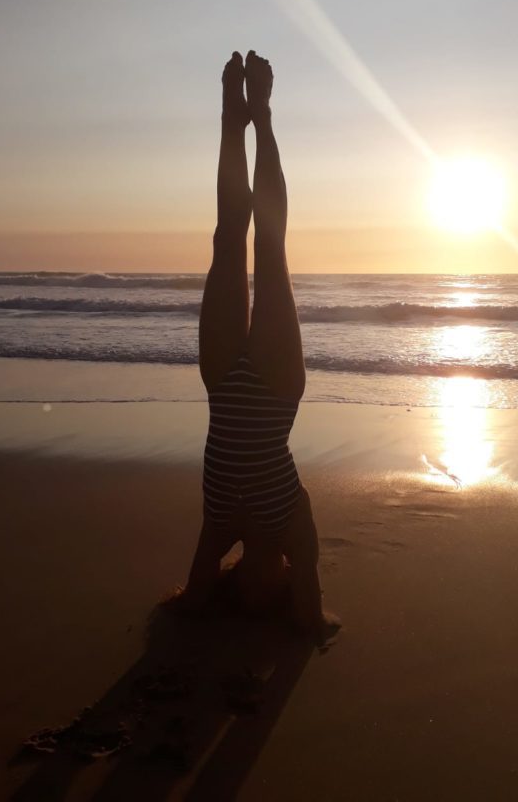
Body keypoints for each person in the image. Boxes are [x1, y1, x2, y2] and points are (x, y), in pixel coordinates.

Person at [183, 50, 337, 645]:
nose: (251, 588)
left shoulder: (219, 532)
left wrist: (201, 600)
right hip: (274, 392)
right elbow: (311, 620)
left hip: (223, 384)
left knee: (228, 241)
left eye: (238, 592)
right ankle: (264, 117)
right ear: (283, 584)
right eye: (263, 595)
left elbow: (193, 597)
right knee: (270, 248)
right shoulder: (296, 533)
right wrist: (304, 613)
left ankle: (231, 123)